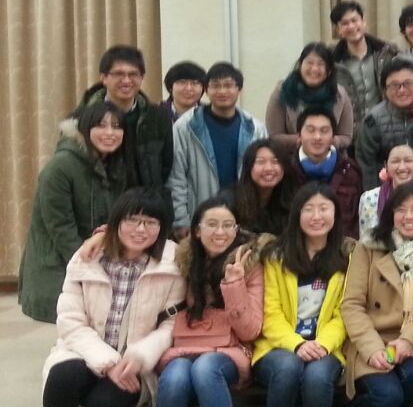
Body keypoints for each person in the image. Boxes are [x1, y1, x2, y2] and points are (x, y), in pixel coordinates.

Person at [35, 189, 184, 407]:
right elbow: (70, 320)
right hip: (83, 350)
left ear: (161, 227)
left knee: (108, 406)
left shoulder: (172, 263)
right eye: (132, 220)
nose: (141, 229)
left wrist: (137, 357)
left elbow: (171, 324)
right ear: (115, 222)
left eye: (150, 222)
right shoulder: (87, 258)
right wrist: (108, 362)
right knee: (61, 377)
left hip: (134, 360)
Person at [136, 199, 264, 407]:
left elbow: (251, 330)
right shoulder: (181, 262)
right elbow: (134, 243)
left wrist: (234, 285)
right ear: (196, 230)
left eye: (228, 225)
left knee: (205, 369)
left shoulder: (250, 264)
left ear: (237, 229)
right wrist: (98, 236)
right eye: (212, 225)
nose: (220, 232)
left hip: (230, 350)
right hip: (186, 346)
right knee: (175, 374)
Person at [328, 182, 413, 407]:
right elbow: (352, 304)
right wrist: (372, 348)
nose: (409, 216)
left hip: (407, 336)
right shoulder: (369, 248)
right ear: (390, 214)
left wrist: (409, 340)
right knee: (386, 394)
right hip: (370, 336)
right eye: (401, 210)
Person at [252, 183, 350, 407]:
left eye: (324, 209)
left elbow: (344, 312)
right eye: (309, 209)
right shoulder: (275, 256)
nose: (316, 216)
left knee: (318, 377)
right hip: (279, 346)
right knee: (288, 368)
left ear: (335, 214)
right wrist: (296, 344)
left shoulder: (347, 257)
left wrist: (322, 343)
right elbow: (270, 313)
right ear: (297, 214)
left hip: (325, 345)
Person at [20, 104, 127, 323]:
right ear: (85, 128)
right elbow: (61, 229)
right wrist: (87, 269)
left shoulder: (111, 163)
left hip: (90, 263)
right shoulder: (60, 167)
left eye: (116, 126)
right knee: (69, 330)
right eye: (101, 125)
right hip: (58, 268)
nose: (110, 132)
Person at [168, 62, 268, 235]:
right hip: (200, 215)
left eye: (228, 85)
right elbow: (177, 177)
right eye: (215, 86)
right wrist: (181, 221)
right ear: (206, 90)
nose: (222, 91)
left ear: (239, 89)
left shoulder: (255, 128)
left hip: (245, 216)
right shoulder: (186, 127)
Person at [75, 44, 174, 196]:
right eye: (118, 74)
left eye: (133, 74)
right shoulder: (81, 117)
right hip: (100, 205)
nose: (126, 81)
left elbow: (166, 165)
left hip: (146, 204)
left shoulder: (158, 116)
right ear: (103, 77)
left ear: (142, 78)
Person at [265, 42, 355, 152]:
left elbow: (346, 136)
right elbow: (274, 136)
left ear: (329, 70)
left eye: (320, 64)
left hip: (332, 157)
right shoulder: (282, 91)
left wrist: (330, 141)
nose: (314, 69)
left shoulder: (339, 95)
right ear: (300, 65)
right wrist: (304, 140)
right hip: (291, 159)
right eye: (309, 63)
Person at [354, 58, 413, 191]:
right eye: (394, 85)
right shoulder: (373, 120)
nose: (401, 90)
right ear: (384, 90)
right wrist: (377, 196)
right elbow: (367, 165)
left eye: (408, 84)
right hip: (387, 191)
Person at [294, 107, 362, 239]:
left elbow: (356, 220)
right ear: (299, 135)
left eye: (324, 131)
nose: (317, 137)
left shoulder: (350, 171)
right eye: (310, 130)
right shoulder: (287, 171)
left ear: (333, 137)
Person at [330, 0, 400, 125]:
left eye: (354, 20)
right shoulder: (331, 59)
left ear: (363, 22)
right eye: (345, 23)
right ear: (338, 30)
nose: (351, 26)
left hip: (386, 124)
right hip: (348, 127)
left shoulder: (388, 52)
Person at [218, 138, 298, 237]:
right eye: (261, 162)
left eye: (275, 162)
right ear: (248, 167)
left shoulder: (291, 197)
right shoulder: (229, 200)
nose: (268, 168)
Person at [358, 142, 413, 240]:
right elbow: (365, 239)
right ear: (386, 165)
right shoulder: (370, 198)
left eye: (408, 160)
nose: (402, 167)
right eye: (395, 161)